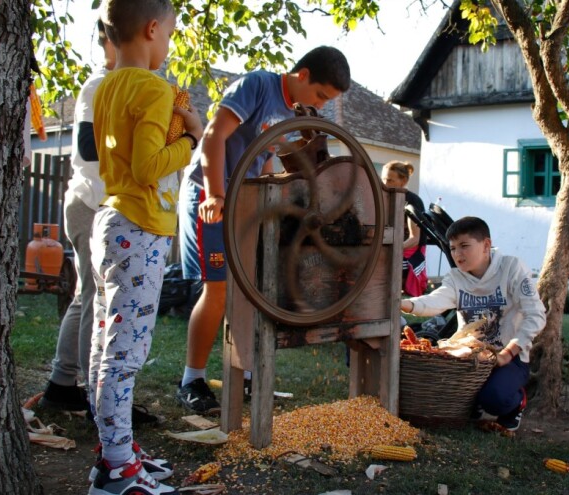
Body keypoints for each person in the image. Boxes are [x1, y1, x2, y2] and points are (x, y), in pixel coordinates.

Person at [175, 46, 351, 413]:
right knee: (218, 289)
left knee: (250, 291)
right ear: (302, 75)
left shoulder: (291, 111)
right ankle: (191, 380)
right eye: (320, 95)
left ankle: (248, 375)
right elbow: (213, 136)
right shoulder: (257, 85)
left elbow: (264, 159)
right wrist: (216, 194)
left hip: (244, 199)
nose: (319, 105)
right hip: (210, 194)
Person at [88, 0, 203, 493]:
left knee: (103, 345)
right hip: (139, 229)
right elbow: (148, 166)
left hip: (111, 221)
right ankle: (117, 471)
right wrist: (192, 138)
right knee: (126, 353)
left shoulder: (106, 87)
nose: (169, 45)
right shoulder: (155, 88)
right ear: (153, 28)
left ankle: (113, 447)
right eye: (170, 35)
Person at [38, 20, 157, 426]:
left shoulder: (126, 85)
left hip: (98, 203)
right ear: (110, 41)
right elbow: (89, 147)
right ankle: (96, 397)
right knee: (97, 300)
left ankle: (61, 384)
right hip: (92, 203)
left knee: (84, 295)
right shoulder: (98, 86)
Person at [400, 216, 546, 432]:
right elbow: (435, 301)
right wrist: (403, 304)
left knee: (494, 400)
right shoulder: (456, 278)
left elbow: (536, 315)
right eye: (453, 248)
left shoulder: (511, 268)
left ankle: (516, 403)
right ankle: (474, 398)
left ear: (486, 245)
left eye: (465, 246)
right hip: (469, 356)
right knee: (432, 388)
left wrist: (508, 352)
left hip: (508, 357)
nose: (458, 254)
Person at [381, 161, 429, 297]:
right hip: (397, 247)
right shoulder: (386, 198)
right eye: (383, 179)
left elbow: (414, 239)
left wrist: (391, 250)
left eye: (390, 180)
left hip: (410, 252)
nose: (385, 184)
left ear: (403, 181)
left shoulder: (412, 202)